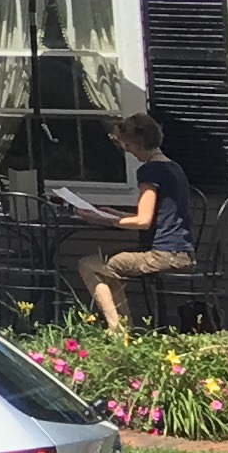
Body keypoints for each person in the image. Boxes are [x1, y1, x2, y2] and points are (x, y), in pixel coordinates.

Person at [70, 110, 200, 330]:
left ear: (139, 143)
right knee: (107, 265)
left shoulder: (150, 172)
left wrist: (105, 220)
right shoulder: (174, 168)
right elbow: (158, 216)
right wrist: (116, 214)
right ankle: (123, 326)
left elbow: (143, 221)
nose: (128, 151)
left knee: (90, 265)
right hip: (182, 252)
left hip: (162, 255)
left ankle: (117, 330)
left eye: (128, 146)